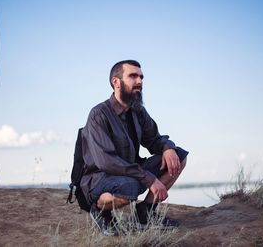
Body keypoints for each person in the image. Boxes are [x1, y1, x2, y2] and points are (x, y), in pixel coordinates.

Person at [80, 60, 188, 235]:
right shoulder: (98, 114)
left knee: (178, 156)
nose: (139, 81)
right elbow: (107, 162)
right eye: (133, 76)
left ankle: (145, 213)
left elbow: (154, 140)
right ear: (116, 82)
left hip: (130, 171)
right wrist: (149, 178)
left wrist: (168, 147)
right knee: (130, 188)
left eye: (141, 77)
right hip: (99, 178)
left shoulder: (138, 111)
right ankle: (100, 211)